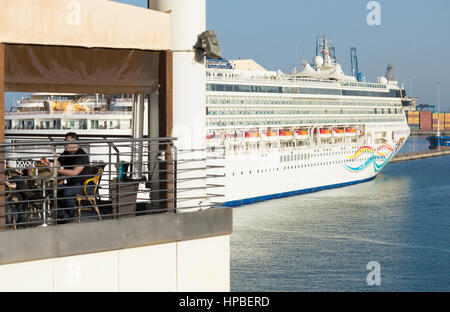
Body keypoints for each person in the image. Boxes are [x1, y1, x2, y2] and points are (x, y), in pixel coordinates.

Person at [42, 132, 92, 221]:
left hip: (84, 185)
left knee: (67, 192)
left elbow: (74, 172)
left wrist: (55, 169)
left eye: (68, 141)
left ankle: (71, 215)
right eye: (65, 141)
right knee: (51, 191)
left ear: (76, 143)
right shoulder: (66, 153)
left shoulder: (82, 155)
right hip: (72, 184)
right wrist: (48, 162)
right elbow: (57, 163)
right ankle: (64, 216)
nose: (65, 144)